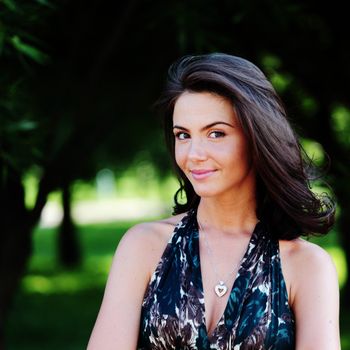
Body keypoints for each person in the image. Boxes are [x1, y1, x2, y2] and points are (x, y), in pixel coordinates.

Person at [87, 53, 340, 349]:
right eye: (183, 135)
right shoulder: (143, 246)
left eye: (216, 133)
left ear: (257, 137)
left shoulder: (306, 265)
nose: (193, 154)